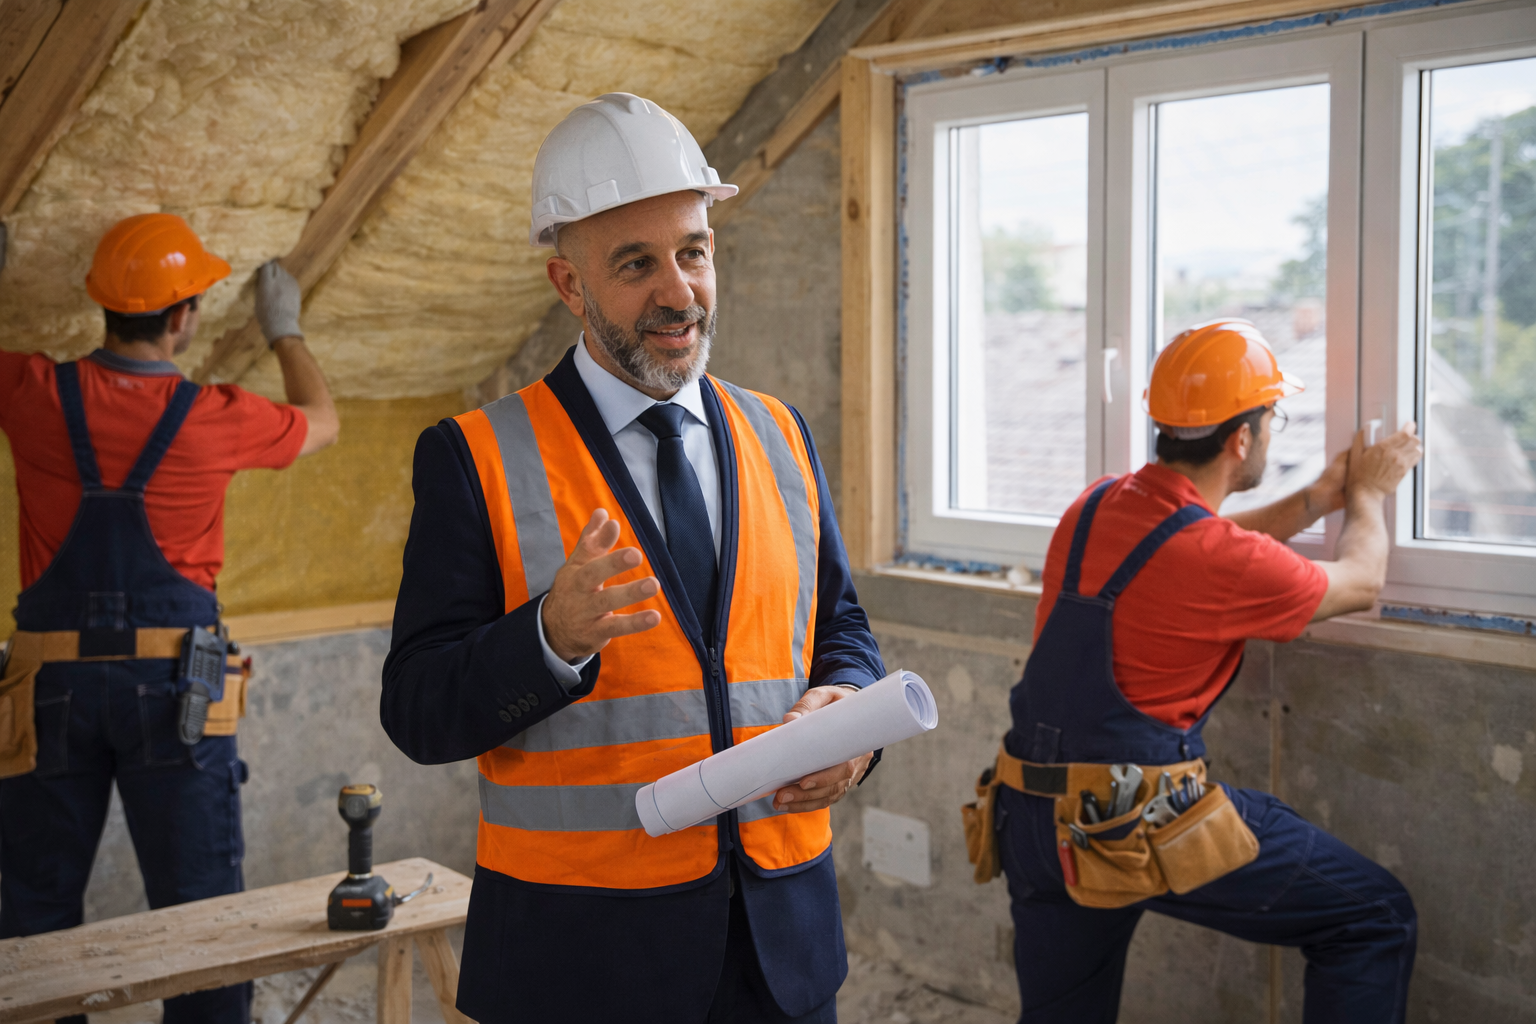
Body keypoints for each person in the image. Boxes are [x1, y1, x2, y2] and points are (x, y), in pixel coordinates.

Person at [382, 93, 886, 1024]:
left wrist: (851, 719)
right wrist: (549, 638)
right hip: (582, 960)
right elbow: (417, 710)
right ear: (569, 285)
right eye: (635, 264)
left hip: (780, 946)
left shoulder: (779, 433)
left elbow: (840, 629)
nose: (679, 292)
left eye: (692, 252)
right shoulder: (475, 456)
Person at [988, 319, 1422, 1023]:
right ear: (1242, 440)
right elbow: (1361, 582)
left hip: (1031, 818)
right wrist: (1369, 492)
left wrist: (1318, 497)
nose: (1273, 431)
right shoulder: (1218, 557)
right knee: (1374, 914)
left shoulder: (1094, 507)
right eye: (1273, 418)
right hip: (1138, 821)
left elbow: (1195, 543)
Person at [0, 214, 338, 1024]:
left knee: (34, 911)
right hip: (176, 689)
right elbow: (322, 422)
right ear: (184, 316)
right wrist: (284, 330)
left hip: (47, 691)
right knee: (200, 915)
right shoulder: (216, 415)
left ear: (102, 306)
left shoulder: (33, 392)